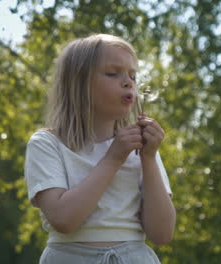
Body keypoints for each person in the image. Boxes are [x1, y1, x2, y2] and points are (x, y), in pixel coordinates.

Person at [24, 33, 176, 264]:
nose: (128, 82)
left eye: (132, 76)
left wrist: (149, 158)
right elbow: (64, 219)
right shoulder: (47, 144)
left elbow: (162, 234)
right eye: (113, 73)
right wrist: (114, 158)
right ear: (78, 83)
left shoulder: (142, 150)